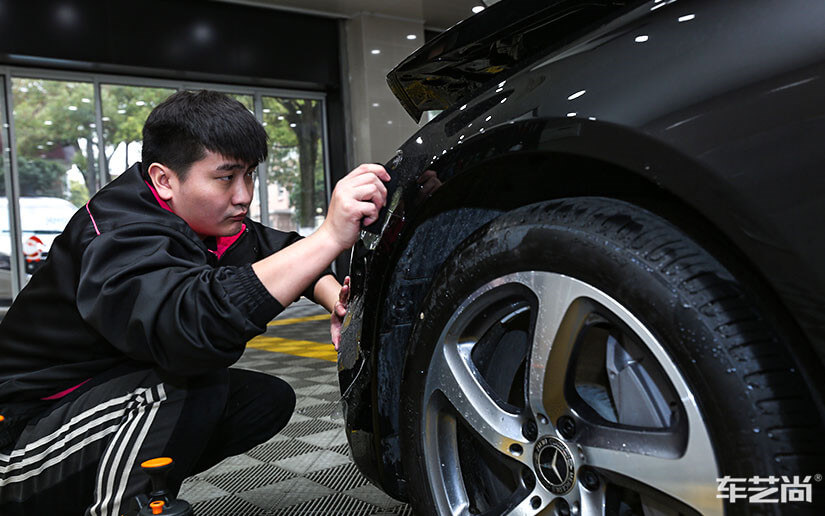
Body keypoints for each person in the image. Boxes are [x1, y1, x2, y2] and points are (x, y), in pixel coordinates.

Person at [0, 90, 389, 515]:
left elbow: (284, 252)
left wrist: (337, 303)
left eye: (249, 175)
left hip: (89, 408)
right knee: (187, 382)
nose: (243, 195)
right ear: (164, 180)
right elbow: (188, 331)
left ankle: (127, 487)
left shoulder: (205, 223)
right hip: (19, 435)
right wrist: (329, 236)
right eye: (225, 178)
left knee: (263, 399)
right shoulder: (119, 233)